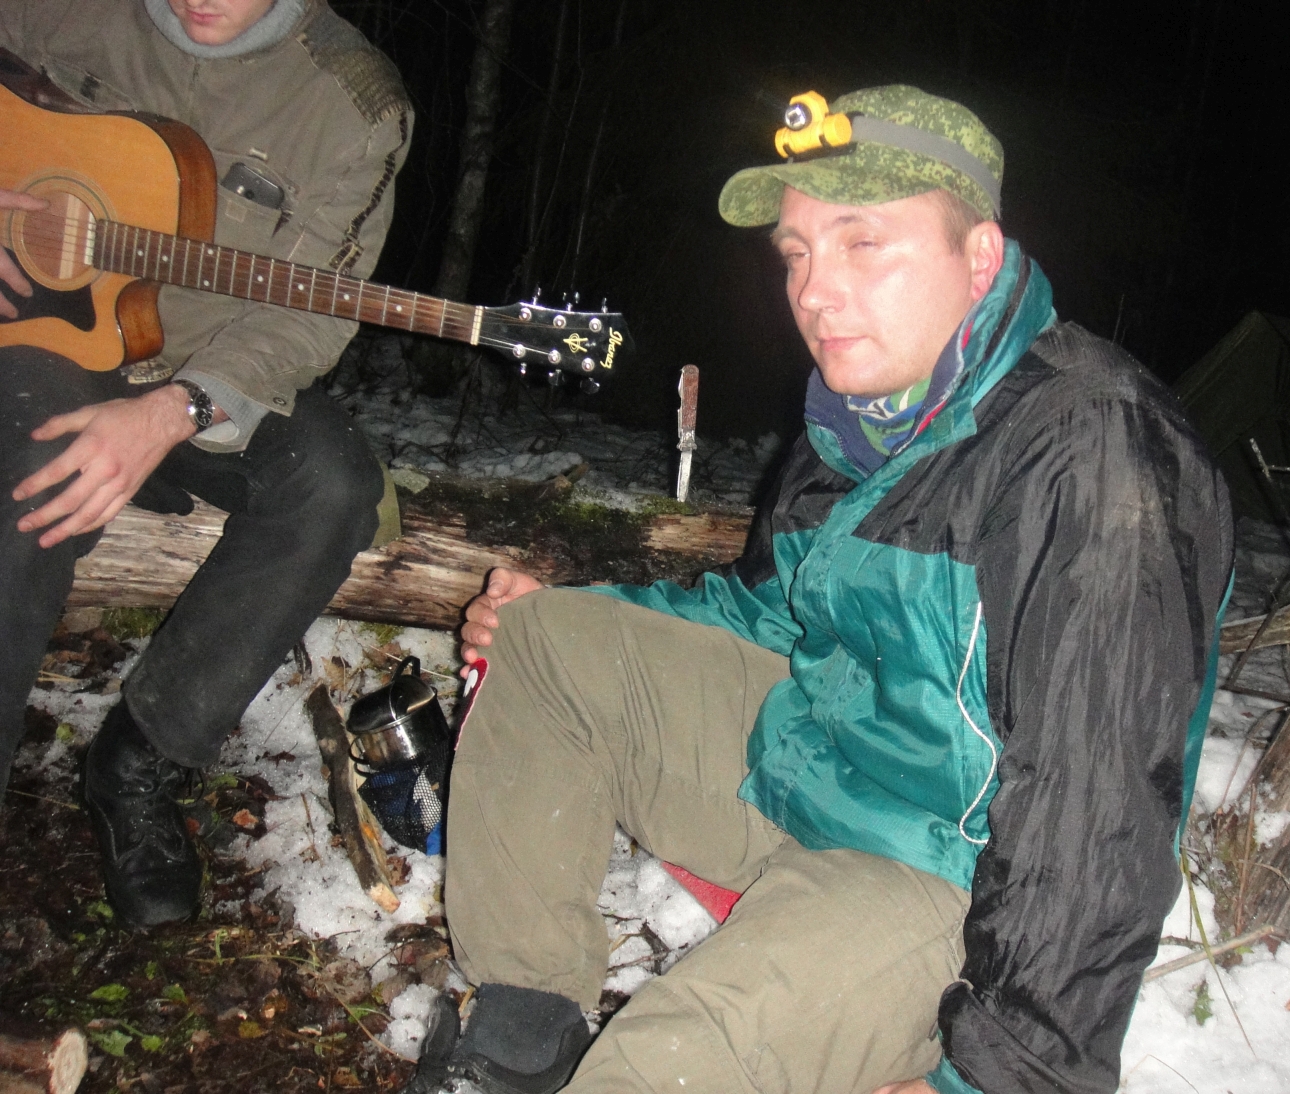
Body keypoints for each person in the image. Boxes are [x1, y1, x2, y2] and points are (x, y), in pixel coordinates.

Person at [410, 85, 1233, 1094]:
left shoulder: (1093, 452)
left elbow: (1097, 813)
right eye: (796, 254)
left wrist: (992, 1083)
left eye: (862, 244)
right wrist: (579, 606)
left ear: (979, 257)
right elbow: (762, 613)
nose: (813, 292)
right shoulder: (859, 417)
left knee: (666, 1061)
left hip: (948, 879)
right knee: (546, 640)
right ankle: (520, 1035)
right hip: (817, 766)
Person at [0, 0, 410, 928]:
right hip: (50, 337)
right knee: (31, 484)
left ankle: (140, 761)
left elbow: (309, 311)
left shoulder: (351, 102)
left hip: (209, 366)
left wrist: (172, 410)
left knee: (333, 487)